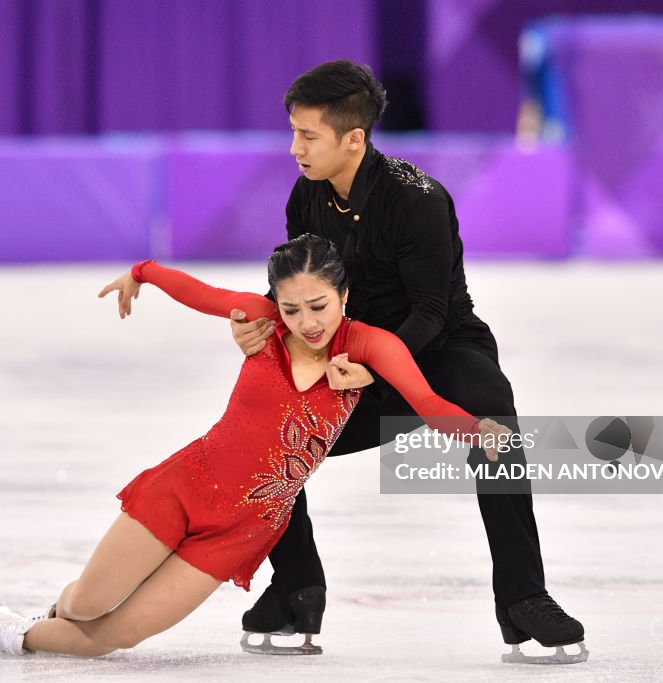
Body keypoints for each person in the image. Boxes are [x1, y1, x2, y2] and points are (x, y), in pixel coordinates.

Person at [0, 235, 510, 657]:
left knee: (114, 636)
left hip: (248, 526)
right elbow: (198, 291)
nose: (307, 322)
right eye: (291, 307)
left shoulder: (371, 348)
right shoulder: (262, 324)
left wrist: (479, 431)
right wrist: (142, 272)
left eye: (319, 306)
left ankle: (3, 629)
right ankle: (35, 616)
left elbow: (428, 403)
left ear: (345, 295)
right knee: (83, 607)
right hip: (190, 485)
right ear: (274, 303)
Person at [230, 60, 586, 664]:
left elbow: (429, 310)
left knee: (495, 415)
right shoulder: (305, 196)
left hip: (441, 350)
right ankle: (295, 588)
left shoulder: (417, 199)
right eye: (293, 132)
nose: (294, 149)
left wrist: (375, 369)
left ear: (353, 139)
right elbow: (298, 294)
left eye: (307, 135)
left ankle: (524, 597)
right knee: (263, 443)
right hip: (352, 356)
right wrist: (263, 324)